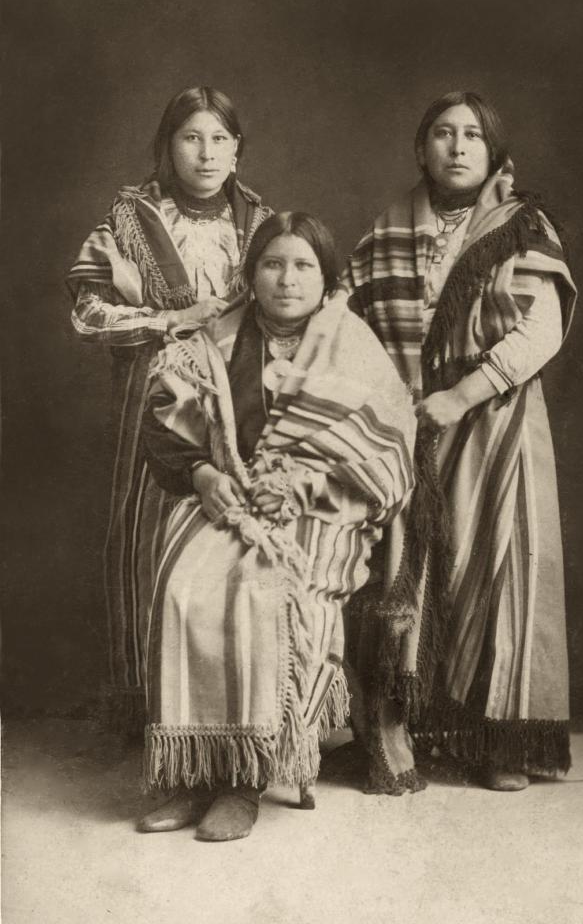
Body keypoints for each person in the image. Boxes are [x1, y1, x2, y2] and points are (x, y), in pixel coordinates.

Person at [137, 212, 417, 840]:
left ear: (326, 278)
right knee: (184, 584)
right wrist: (206, 477)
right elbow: (163, 425)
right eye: (272, 263)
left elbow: (389, 452)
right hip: (229, 495)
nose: (286, 279)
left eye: (302, 266)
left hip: (322, 507)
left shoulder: (351, 342)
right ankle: (192, 773)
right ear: (251, 272)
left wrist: (299, 485)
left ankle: (244, 779)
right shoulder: (214, 338)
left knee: (260, 590)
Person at [343, 91, 576, 792]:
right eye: (442, 133)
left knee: (499, 569)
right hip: (407, 423)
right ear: (421, 149)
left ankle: (500, 742)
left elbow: (541, 329)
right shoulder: (386, 231)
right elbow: (343, 320)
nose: (457, 146)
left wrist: (461, 394)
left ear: (492, 151)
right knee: (411, 572)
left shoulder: (520, 226)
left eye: (472, 134)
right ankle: (417, 728)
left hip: (494, 416)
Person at [67, 87, 272, 730]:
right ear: (168, 145)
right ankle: (157, 710)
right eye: (191, 138)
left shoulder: (263, 224)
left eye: (219, 139)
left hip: (242, 404)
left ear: (238, 150)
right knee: (149, 538)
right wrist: (171, 320)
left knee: (234, 541)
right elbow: (88, 311)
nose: (206, 153)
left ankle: (232, 712)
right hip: (151, 400)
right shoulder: (129, 220)